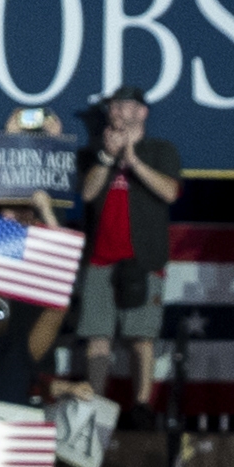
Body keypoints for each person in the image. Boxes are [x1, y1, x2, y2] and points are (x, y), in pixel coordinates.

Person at [75, 87, 181, 417]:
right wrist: (108, 157)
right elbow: (89, 194)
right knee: (98, 336)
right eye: (114, 106)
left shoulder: (161, 150)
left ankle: (142, 406)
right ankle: (93, 407)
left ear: (142, 112)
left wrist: (133, 160)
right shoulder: (92, 153)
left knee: (141, 337)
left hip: (144, 258)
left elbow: (170, 192)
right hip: (100, 259)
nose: (118, 112)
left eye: (125, 105)